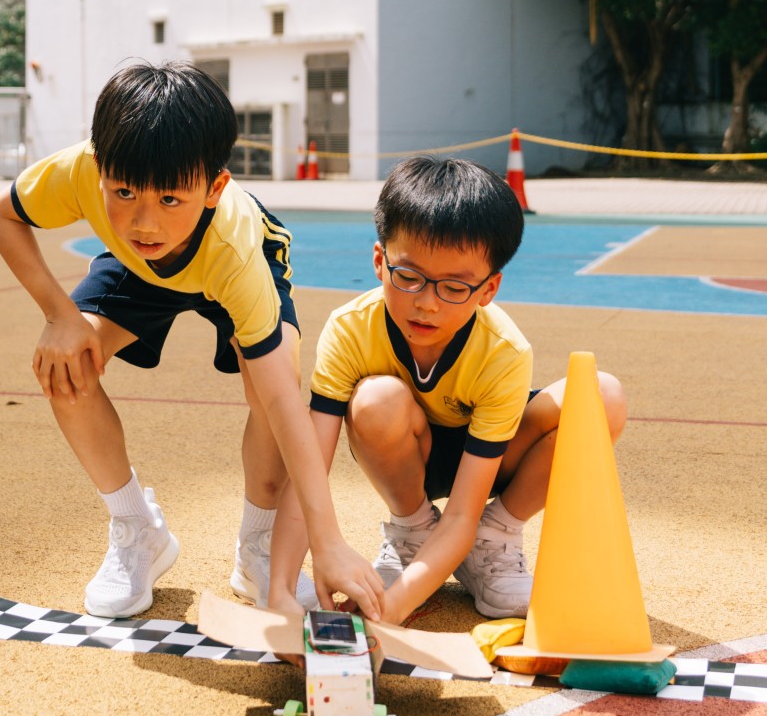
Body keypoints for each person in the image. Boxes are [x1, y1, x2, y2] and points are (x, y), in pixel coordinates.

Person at [0, 60, 383, 622]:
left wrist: (330, 540)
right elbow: (0, 215)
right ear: (99, 168)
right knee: (64, 363)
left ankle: (259, 545)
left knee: (272, 384)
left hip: (227, 266)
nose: (145, 221)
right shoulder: (82, 171)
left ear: (215, 187)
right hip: (138, 272)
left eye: (170, 199)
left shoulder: (235, 252)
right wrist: (59, 315)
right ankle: (135, 528)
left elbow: (284, 404)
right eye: (123, 193)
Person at [268, 156, 626, 623]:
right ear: (380, 261)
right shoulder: (351, 329)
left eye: (454, 287)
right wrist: (280, 589)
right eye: (409, 276)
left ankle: (495, 535)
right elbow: (308, 467)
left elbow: (459, 515)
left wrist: (390, 610)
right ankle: (412, 530)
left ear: (488, 289)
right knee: (377, 400)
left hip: (489, 463)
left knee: (602, 397)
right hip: (404, 452)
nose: (427, 303)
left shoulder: (504, 351)